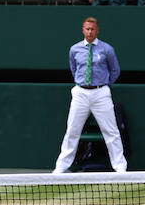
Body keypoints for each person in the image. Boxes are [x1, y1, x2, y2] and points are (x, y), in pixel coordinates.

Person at [53, 17, 128, 174]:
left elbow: (115, 70)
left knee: (111, 131)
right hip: (80, 93)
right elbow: (74, 69)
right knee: (72, 130)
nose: (90, 32)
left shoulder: (107, 49)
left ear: (97, 30)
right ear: (83, 30)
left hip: (101, 93)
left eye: (92, 29)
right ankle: (62, 166)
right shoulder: (74, 49)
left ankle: (120, 166)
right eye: (87, 29)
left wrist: (103, 84)